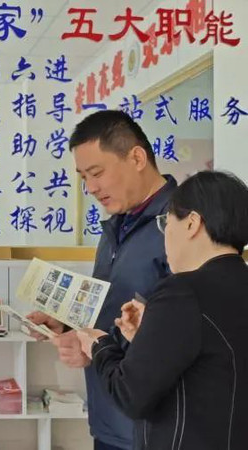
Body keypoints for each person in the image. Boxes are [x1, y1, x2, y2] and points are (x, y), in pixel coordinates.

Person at [27, 110, 177, 450]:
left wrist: (98, 348)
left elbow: (181, 333)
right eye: (83, 177)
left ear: (136, 158)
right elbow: (115, 306)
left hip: (154, 428)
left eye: (97, 173)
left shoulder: (181, 224)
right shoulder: (116, 226)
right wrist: (69, 326)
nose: (90, 188)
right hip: (109, 418)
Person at [78, 170, 248, 450]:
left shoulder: (182, 292)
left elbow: (130, 396)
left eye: (166, 222)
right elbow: (213, 365)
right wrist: (149, 336)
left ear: (192, 223)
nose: (165, 234)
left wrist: (99, 345)